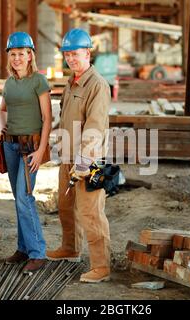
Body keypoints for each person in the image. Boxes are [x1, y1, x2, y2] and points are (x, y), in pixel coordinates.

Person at [47, 28, 111, 283]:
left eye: (75, 54)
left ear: (88, 52)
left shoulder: (97, 85)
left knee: (91, 213)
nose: (71, 58)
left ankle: (101, 266)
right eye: (67, 54)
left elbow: (95, 126)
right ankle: (70, 248)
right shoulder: (71, 82)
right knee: (65, 206)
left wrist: (84, 160)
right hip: (68, 157)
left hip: (89, 161)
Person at [0, 32, 52, 273]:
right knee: (18, 198)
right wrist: (2, 123)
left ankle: (37, 253)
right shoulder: (9, 83)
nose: (17, 58)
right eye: (13, 54)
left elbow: (48, 118)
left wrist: (41, 150)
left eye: (22, 54)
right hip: (10, 145)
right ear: (9, 57)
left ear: (30, 56)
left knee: (24, 196)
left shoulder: (39, 82)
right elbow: (2, 110)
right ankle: (22, 249)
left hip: (31, 147)